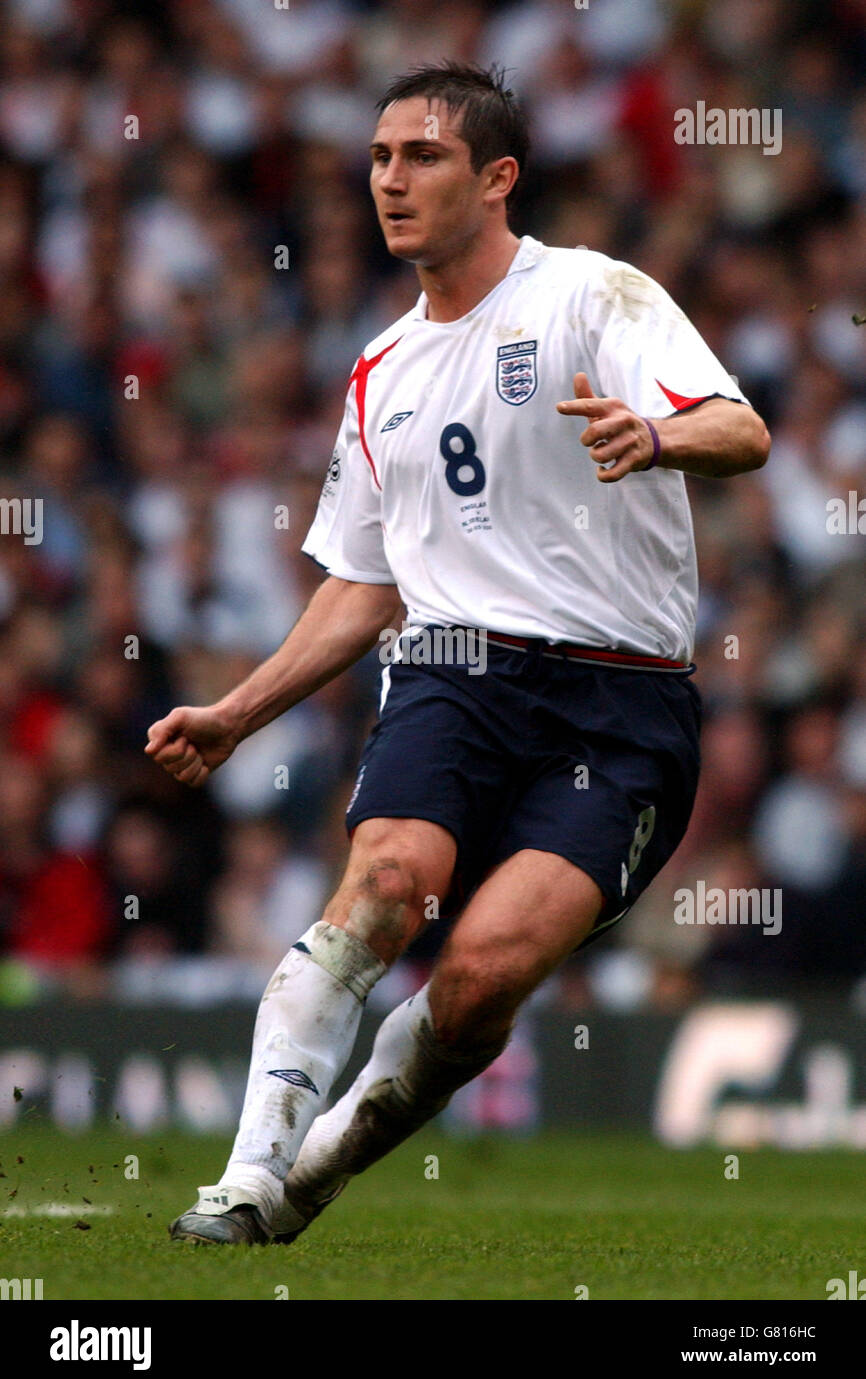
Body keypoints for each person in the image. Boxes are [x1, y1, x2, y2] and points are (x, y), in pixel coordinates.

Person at [145, 62, 770, 1245]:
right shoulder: (380, 370)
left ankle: (309, 1177)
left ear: (497, 179)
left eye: (421, 156)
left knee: (479, 981)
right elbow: (363, 585)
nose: (390, 180)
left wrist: (658, 432)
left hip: (617, 707)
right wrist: (239, 711)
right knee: (382, 886)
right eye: (379, 157)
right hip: (450, 675)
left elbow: (741, 428)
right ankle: (240, 1178)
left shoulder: (593, 295)